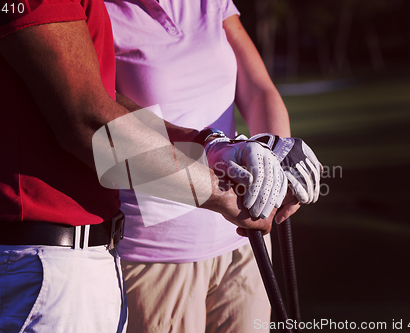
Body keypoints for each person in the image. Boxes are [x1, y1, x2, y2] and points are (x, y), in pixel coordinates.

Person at [0, 0, 289, 331]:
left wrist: (211, 144)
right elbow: (87, 122)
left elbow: (98, 98)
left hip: (75, 260)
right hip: (40, 267)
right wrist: (226, 195)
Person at [103, 0, 317, 332]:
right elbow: (103, 119)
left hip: (243, 241)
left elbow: (258, 89)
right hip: (157, 254)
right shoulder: (99, 10)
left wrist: (277, 160)